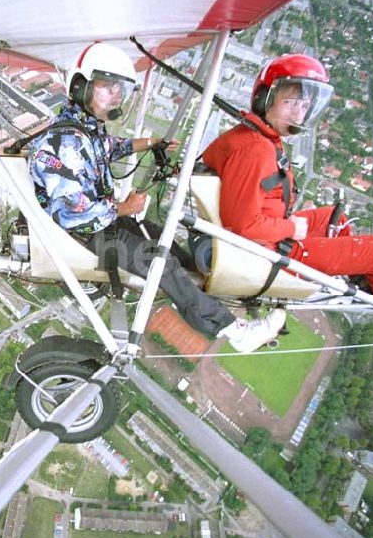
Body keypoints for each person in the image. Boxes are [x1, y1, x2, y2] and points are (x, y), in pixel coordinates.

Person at [29, 42, 286, 352]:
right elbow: (72, 214)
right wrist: (124, 208)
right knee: (158, 263)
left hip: (100, 224)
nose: (116, 95)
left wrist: (152, 142)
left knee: (165, 243)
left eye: (119, 88)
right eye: (107, 86)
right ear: (82, 86)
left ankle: (214, 305)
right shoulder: (62, 143)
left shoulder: (83, 129)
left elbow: (110, 147)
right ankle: (237, 332)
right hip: (81, 234)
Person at [201, 53, 373, 326]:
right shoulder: (255, 149)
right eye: (290, 102)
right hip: (271, 251)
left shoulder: (255, 136)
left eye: (304, 104)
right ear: (265, 99)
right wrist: (291, 229)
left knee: (335, 220)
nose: (299, 112)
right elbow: (242, 225)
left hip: (271, 235)